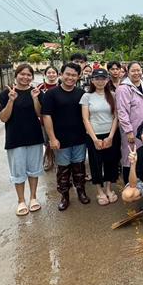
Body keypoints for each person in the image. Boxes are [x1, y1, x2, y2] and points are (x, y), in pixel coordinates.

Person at [0, 63, 44, 216]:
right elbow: (3, 118)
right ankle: (21, 200)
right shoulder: (5, 94)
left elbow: (40, 114)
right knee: (18, 171)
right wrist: (11, 100)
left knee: (34, 169)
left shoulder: (36, 92)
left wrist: (36, 98)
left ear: (32, 77)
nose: (25, 77)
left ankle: (33, 197)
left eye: (28, 75)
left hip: (34, 136)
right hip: (15, 137)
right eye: (22, 74)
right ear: (16, 75)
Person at [42, 62, 90, 211]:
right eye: (67, 74)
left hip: (79, 138)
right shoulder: (51, 94)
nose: (70, 77)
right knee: (63, 169)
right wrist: (52, 138)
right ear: (61, 74)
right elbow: (46, 116)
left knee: (79, 167)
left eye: (74, 75)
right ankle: (64, 196)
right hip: (60, 140)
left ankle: (81, 191)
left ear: (78, 76)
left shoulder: (81, 93)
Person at [81, 68, 120, 206]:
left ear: (107, 80)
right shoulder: (87, 96)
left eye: (103, 78)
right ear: (92, 80)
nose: (100, 81)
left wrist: (110, 137)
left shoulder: (113, 95)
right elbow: (86, 119)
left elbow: (116, 117)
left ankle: (109, 188)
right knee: (96, 163)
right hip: (93, 135)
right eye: (97, 78)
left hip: (111, 134)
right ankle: (99, 191)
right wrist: (94, 139)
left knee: (111, 162)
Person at [116, 61, 143, 184]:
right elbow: (122, 112)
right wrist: (128, 131)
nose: (136, 73)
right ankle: (130, 185)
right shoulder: (123, 88)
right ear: (128, 71)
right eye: (133, 70)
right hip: (133, 130)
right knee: (130, 157)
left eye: (138, 70)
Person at [37, 65, 59, 171]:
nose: (51, 75)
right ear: (45, 74)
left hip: (59, 119)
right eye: (49, 73)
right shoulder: (40, 87)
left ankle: (58, 159)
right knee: (47, 141)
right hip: (44, 119)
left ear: (57, 74)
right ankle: (49, 159)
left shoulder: (61, 85)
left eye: (53, 72)